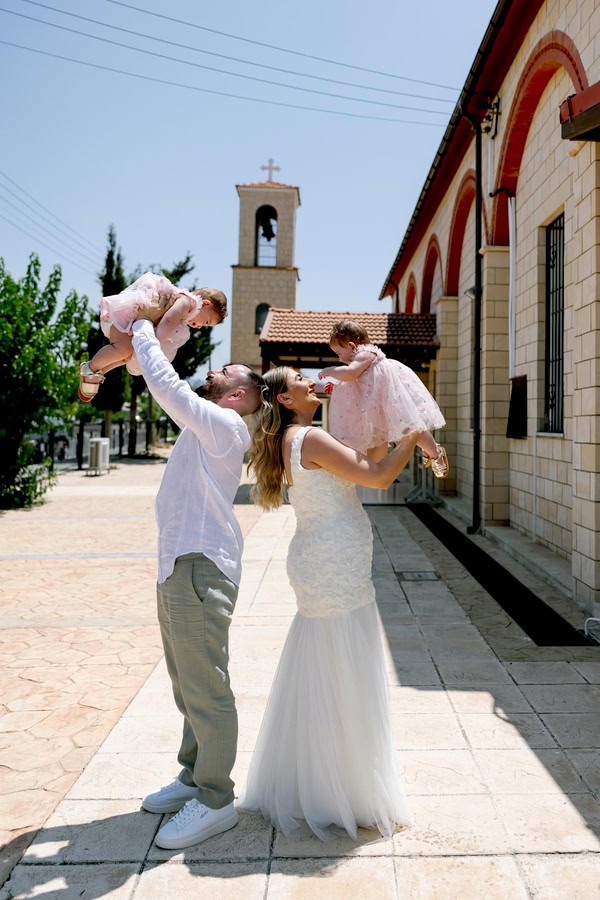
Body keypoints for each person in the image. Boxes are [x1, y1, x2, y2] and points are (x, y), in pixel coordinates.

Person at [239, 366, 419, 840]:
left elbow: (363, 462)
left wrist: (378, 424)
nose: (312, 380)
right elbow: (379, 478)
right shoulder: (310, 439)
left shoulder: (298, 439)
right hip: (332, 561)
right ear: (284, 398)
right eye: (300, 378)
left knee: (328, 661)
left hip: (325, 556)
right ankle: (345, 788)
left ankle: (321, 779)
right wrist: (414, 434)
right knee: (342, 663)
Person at [129, 315, 263, 850]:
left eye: (226, 369)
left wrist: (140, 321)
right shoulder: (208, 422)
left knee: (207, 686)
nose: (216, 367)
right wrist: (167, 331)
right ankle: (192, 776)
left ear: (240, 394)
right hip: (177, 564)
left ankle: (215, 800)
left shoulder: (224, 425)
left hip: (199, 565)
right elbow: (155, 371)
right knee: (187, 685)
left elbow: (165, 383)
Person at [318, 318, 448, 476]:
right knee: (405, 431)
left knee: (410, 426)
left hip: (391, 399)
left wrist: (330, 370)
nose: (339, 359)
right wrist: (337, 386)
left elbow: (351, 373)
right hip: (381, 405)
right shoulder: (357, 361)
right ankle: (429, 449)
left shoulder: (365, 354)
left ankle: (436, 452)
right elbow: (353, 382)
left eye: (339, 353)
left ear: (352, 346)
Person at [78, 271, 227, 402]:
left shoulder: (185, 311)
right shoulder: (187, 302)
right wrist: (154, 342)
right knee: (123, 349)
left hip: (134, 323)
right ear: (205, 304)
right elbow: (168, 321)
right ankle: (90, 368)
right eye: (206, 322)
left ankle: (99, 372)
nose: (200, 326)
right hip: (127, 316)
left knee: (127, 356)